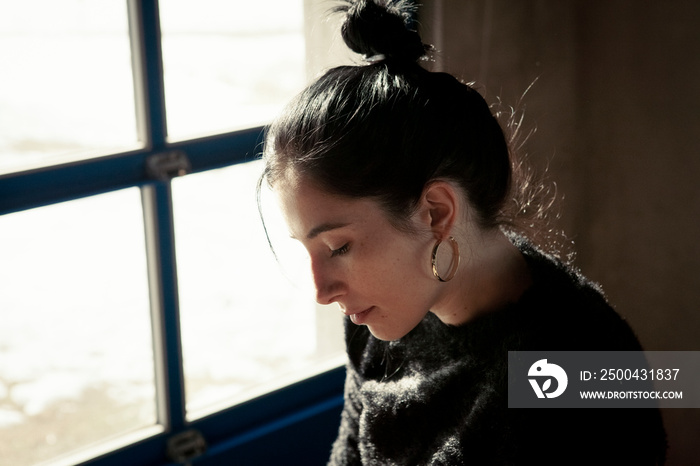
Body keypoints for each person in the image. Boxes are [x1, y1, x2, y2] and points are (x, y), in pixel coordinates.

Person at [258, 0, 667, 464]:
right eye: (308, 250)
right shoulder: (378, 320)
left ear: (435, 212)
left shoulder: (584, 367)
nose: (322, 291)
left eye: (339, 247)